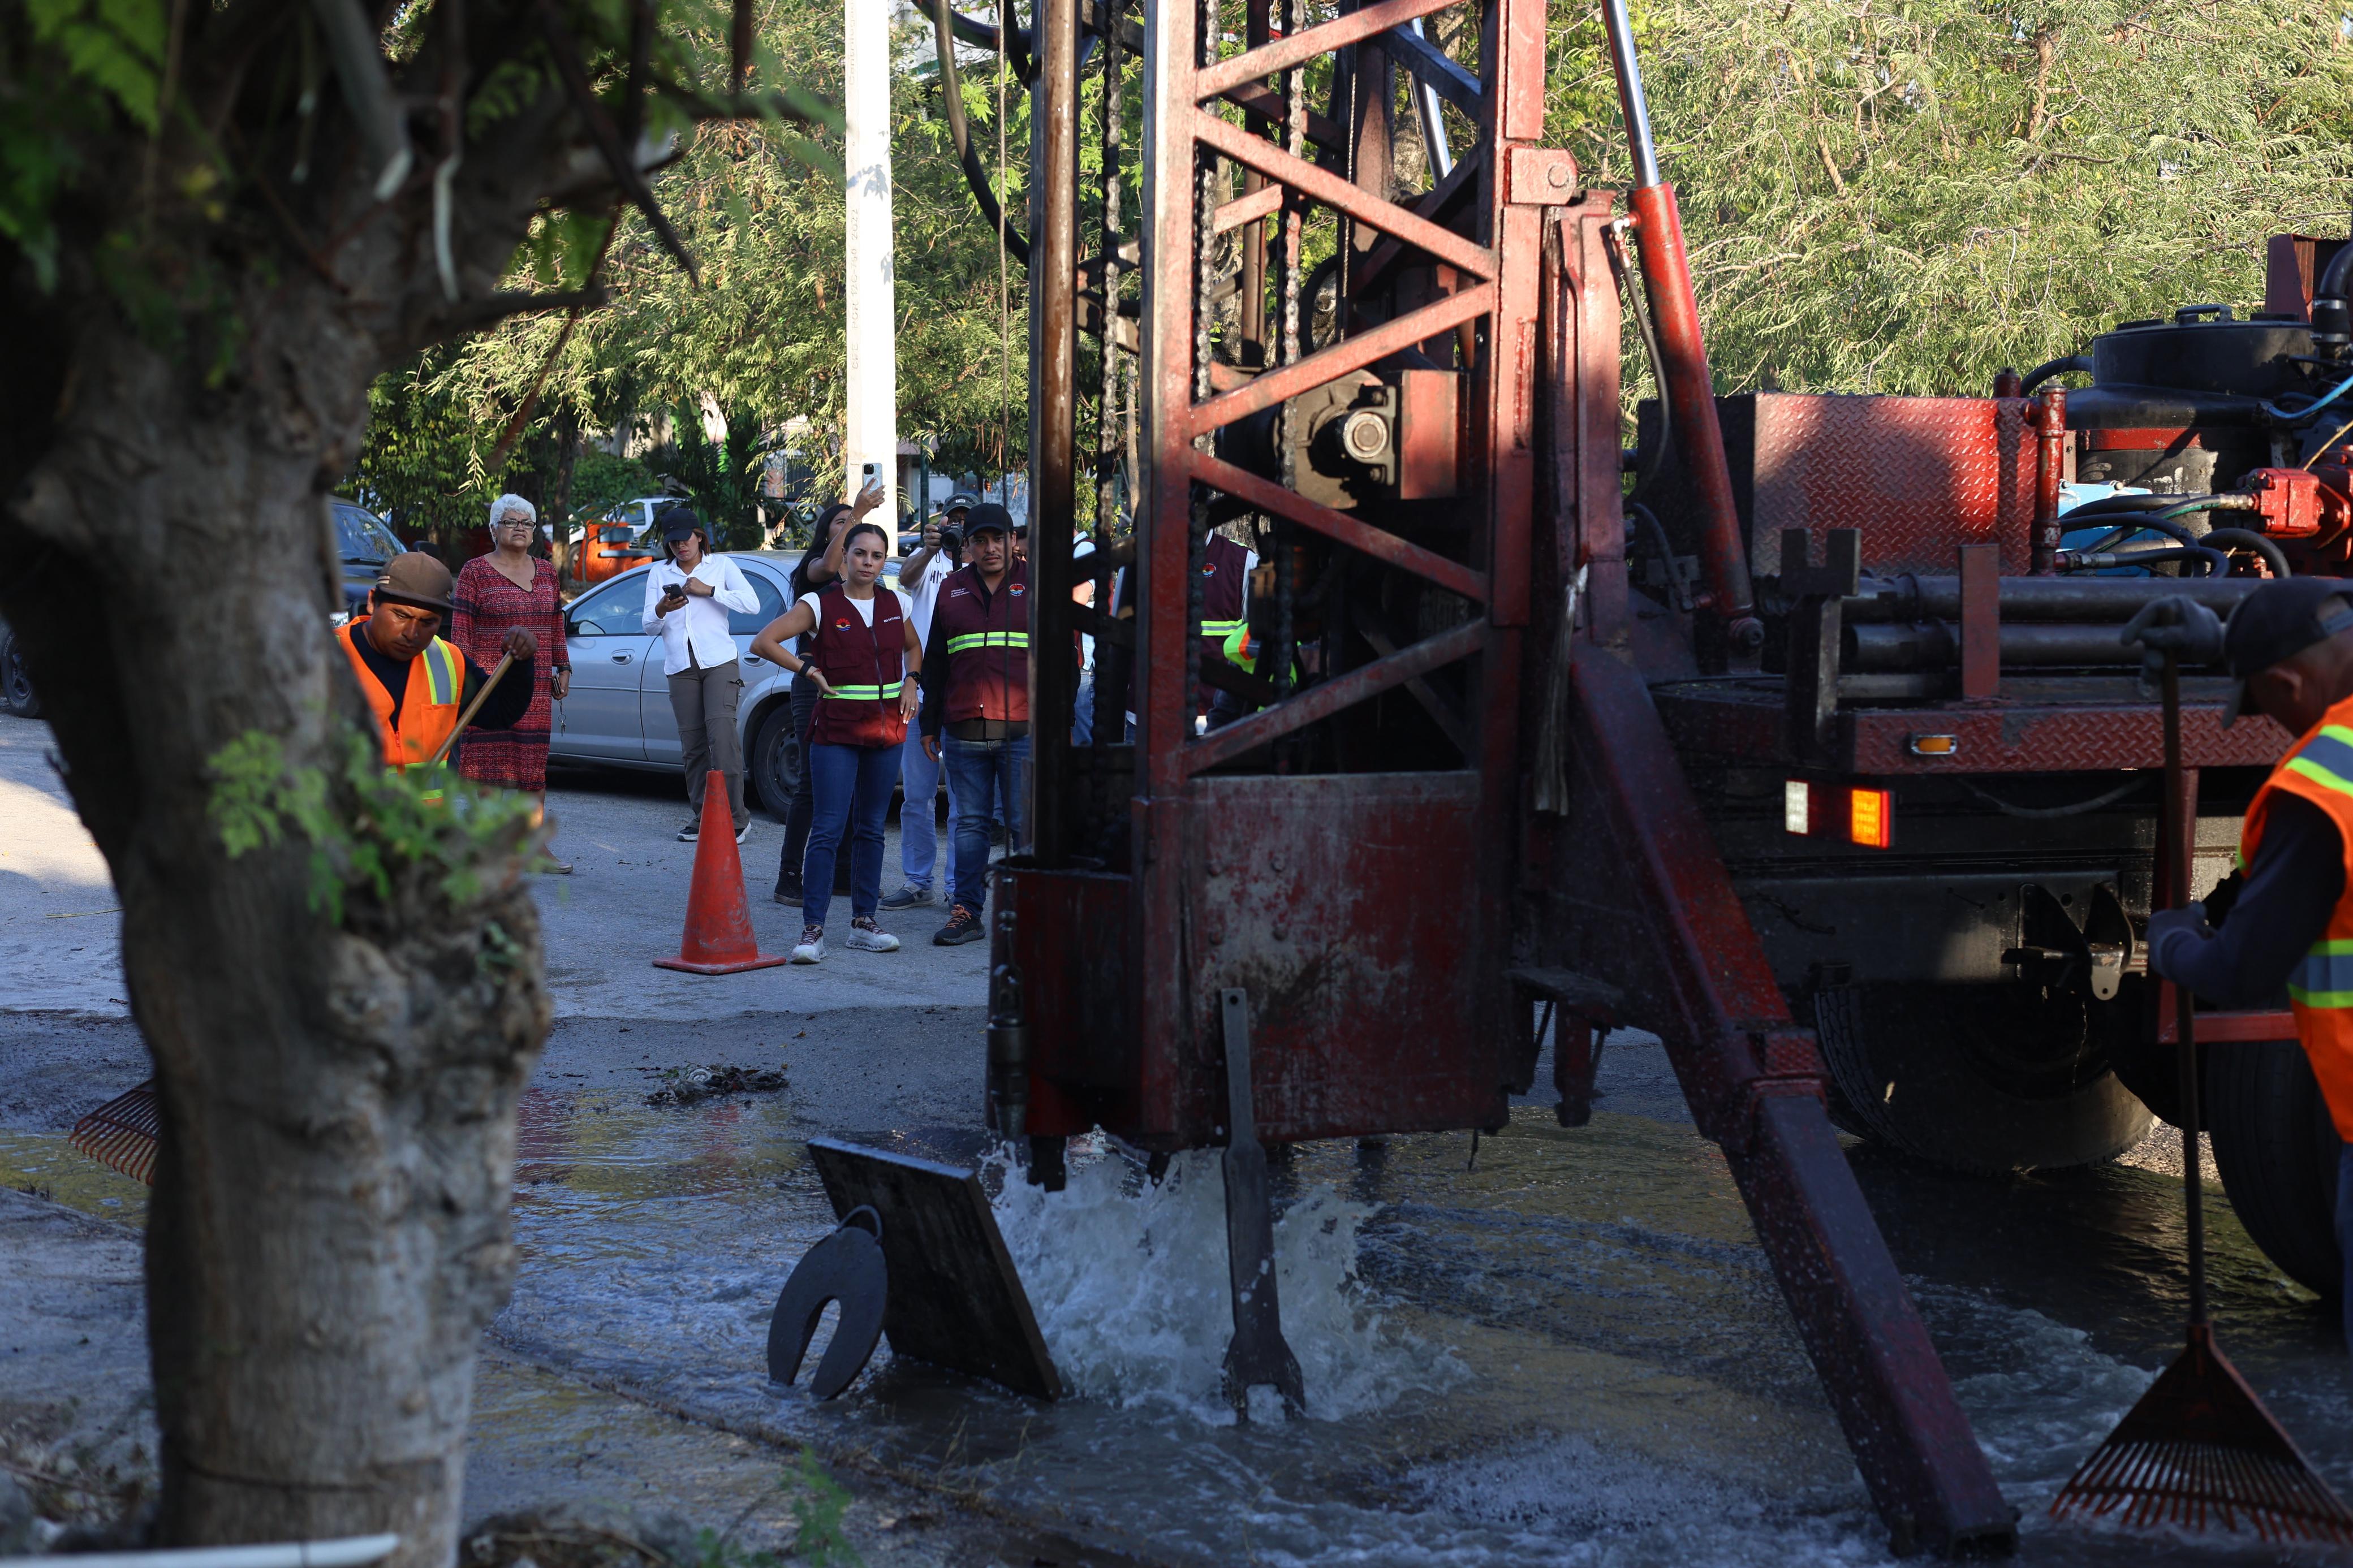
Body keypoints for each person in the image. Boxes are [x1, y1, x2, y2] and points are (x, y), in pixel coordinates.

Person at [2134, 577, 2353, 1341]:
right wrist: (2229, 642)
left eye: (2262, 705)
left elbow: (2240, 972)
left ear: (2288, 683)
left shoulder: (2324, 780)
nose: (2275, 726)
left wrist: (2172, 943)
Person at [750, 522, 923, 962]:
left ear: (884, 561)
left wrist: (912, 682)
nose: (868, 562)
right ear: (844, 556)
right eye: (860, 553)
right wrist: (807, 670)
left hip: (886, 731)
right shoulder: (820, 603)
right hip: (836, 731)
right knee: (827, 828)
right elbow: (764, 641)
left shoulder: (895, 602)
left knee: (871, 828)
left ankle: (864, 922)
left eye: (877, 555)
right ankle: (813, 930)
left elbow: (914, 648)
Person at [917, 503, 1029, 945]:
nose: (990, 548)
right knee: (970, 825)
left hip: (1024, 731)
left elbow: (1066, 657)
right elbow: (936, 662)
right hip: (964, 729)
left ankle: (1032, 909)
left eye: (998, 538)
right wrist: (929, 724)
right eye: (980, 541)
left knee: (1026, 825)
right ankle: (967, 912)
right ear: (967, 546)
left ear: (1013, 540)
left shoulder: (1036, 585)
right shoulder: (952, 589)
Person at [774, 477, 888, 902]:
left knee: (855, 784)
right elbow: (826, 565)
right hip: (814, 687)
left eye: (852, 525)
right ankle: (790, 876)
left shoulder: (871, 585)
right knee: (812, 783)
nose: (850, 528)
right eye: (840, 525)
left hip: (859, 692)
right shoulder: (814, 572)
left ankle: (842, 873)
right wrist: (857, 512)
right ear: (828, 535)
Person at [337, 554, 536, 792]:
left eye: (427, 622)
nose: (411, 633)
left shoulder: (447, 662)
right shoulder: (324, 658)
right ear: (372, 602)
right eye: (401, 615)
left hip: (420, 817)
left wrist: (521, 662)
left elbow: (503, 711)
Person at [453, 493, 572, 871]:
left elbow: (555, 625)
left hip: (535, 688)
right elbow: (461, 633)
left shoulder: (547, 572)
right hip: (488, 686)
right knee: (488, 767)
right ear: (494, 529)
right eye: (511, 521)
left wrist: (563, 666)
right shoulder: (475, 572)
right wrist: (465, 681)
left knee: (532, 768)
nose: (520, 528)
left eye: (527, 523)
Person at [878, 492, 975, 909]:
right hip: (918, 694)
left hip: (964, 698)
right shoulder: (928, 560)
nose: (959, 528)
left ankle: (958, 887)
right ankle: (918, 881)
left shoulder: (983, 567)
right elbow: (905, 578)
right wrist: (929, 548)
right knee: (917, 796)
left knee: (962, 802)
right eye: (953, 520)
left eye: (966, 522)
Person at [642, 506, 759, 844]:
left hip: (719, 662)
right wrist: (663, 608)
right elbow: (649, 625)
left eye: (686, 539)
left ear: (699, 537)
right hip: (680, 666)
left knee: (722, 738)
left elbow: (752, 604)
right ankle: (703, 816)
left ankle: (737, 819)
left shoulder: (721, 566)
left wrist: (709, 591)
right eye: (673, 542)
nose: (681, 546)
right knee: (693, 745)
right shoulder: (659, 573)